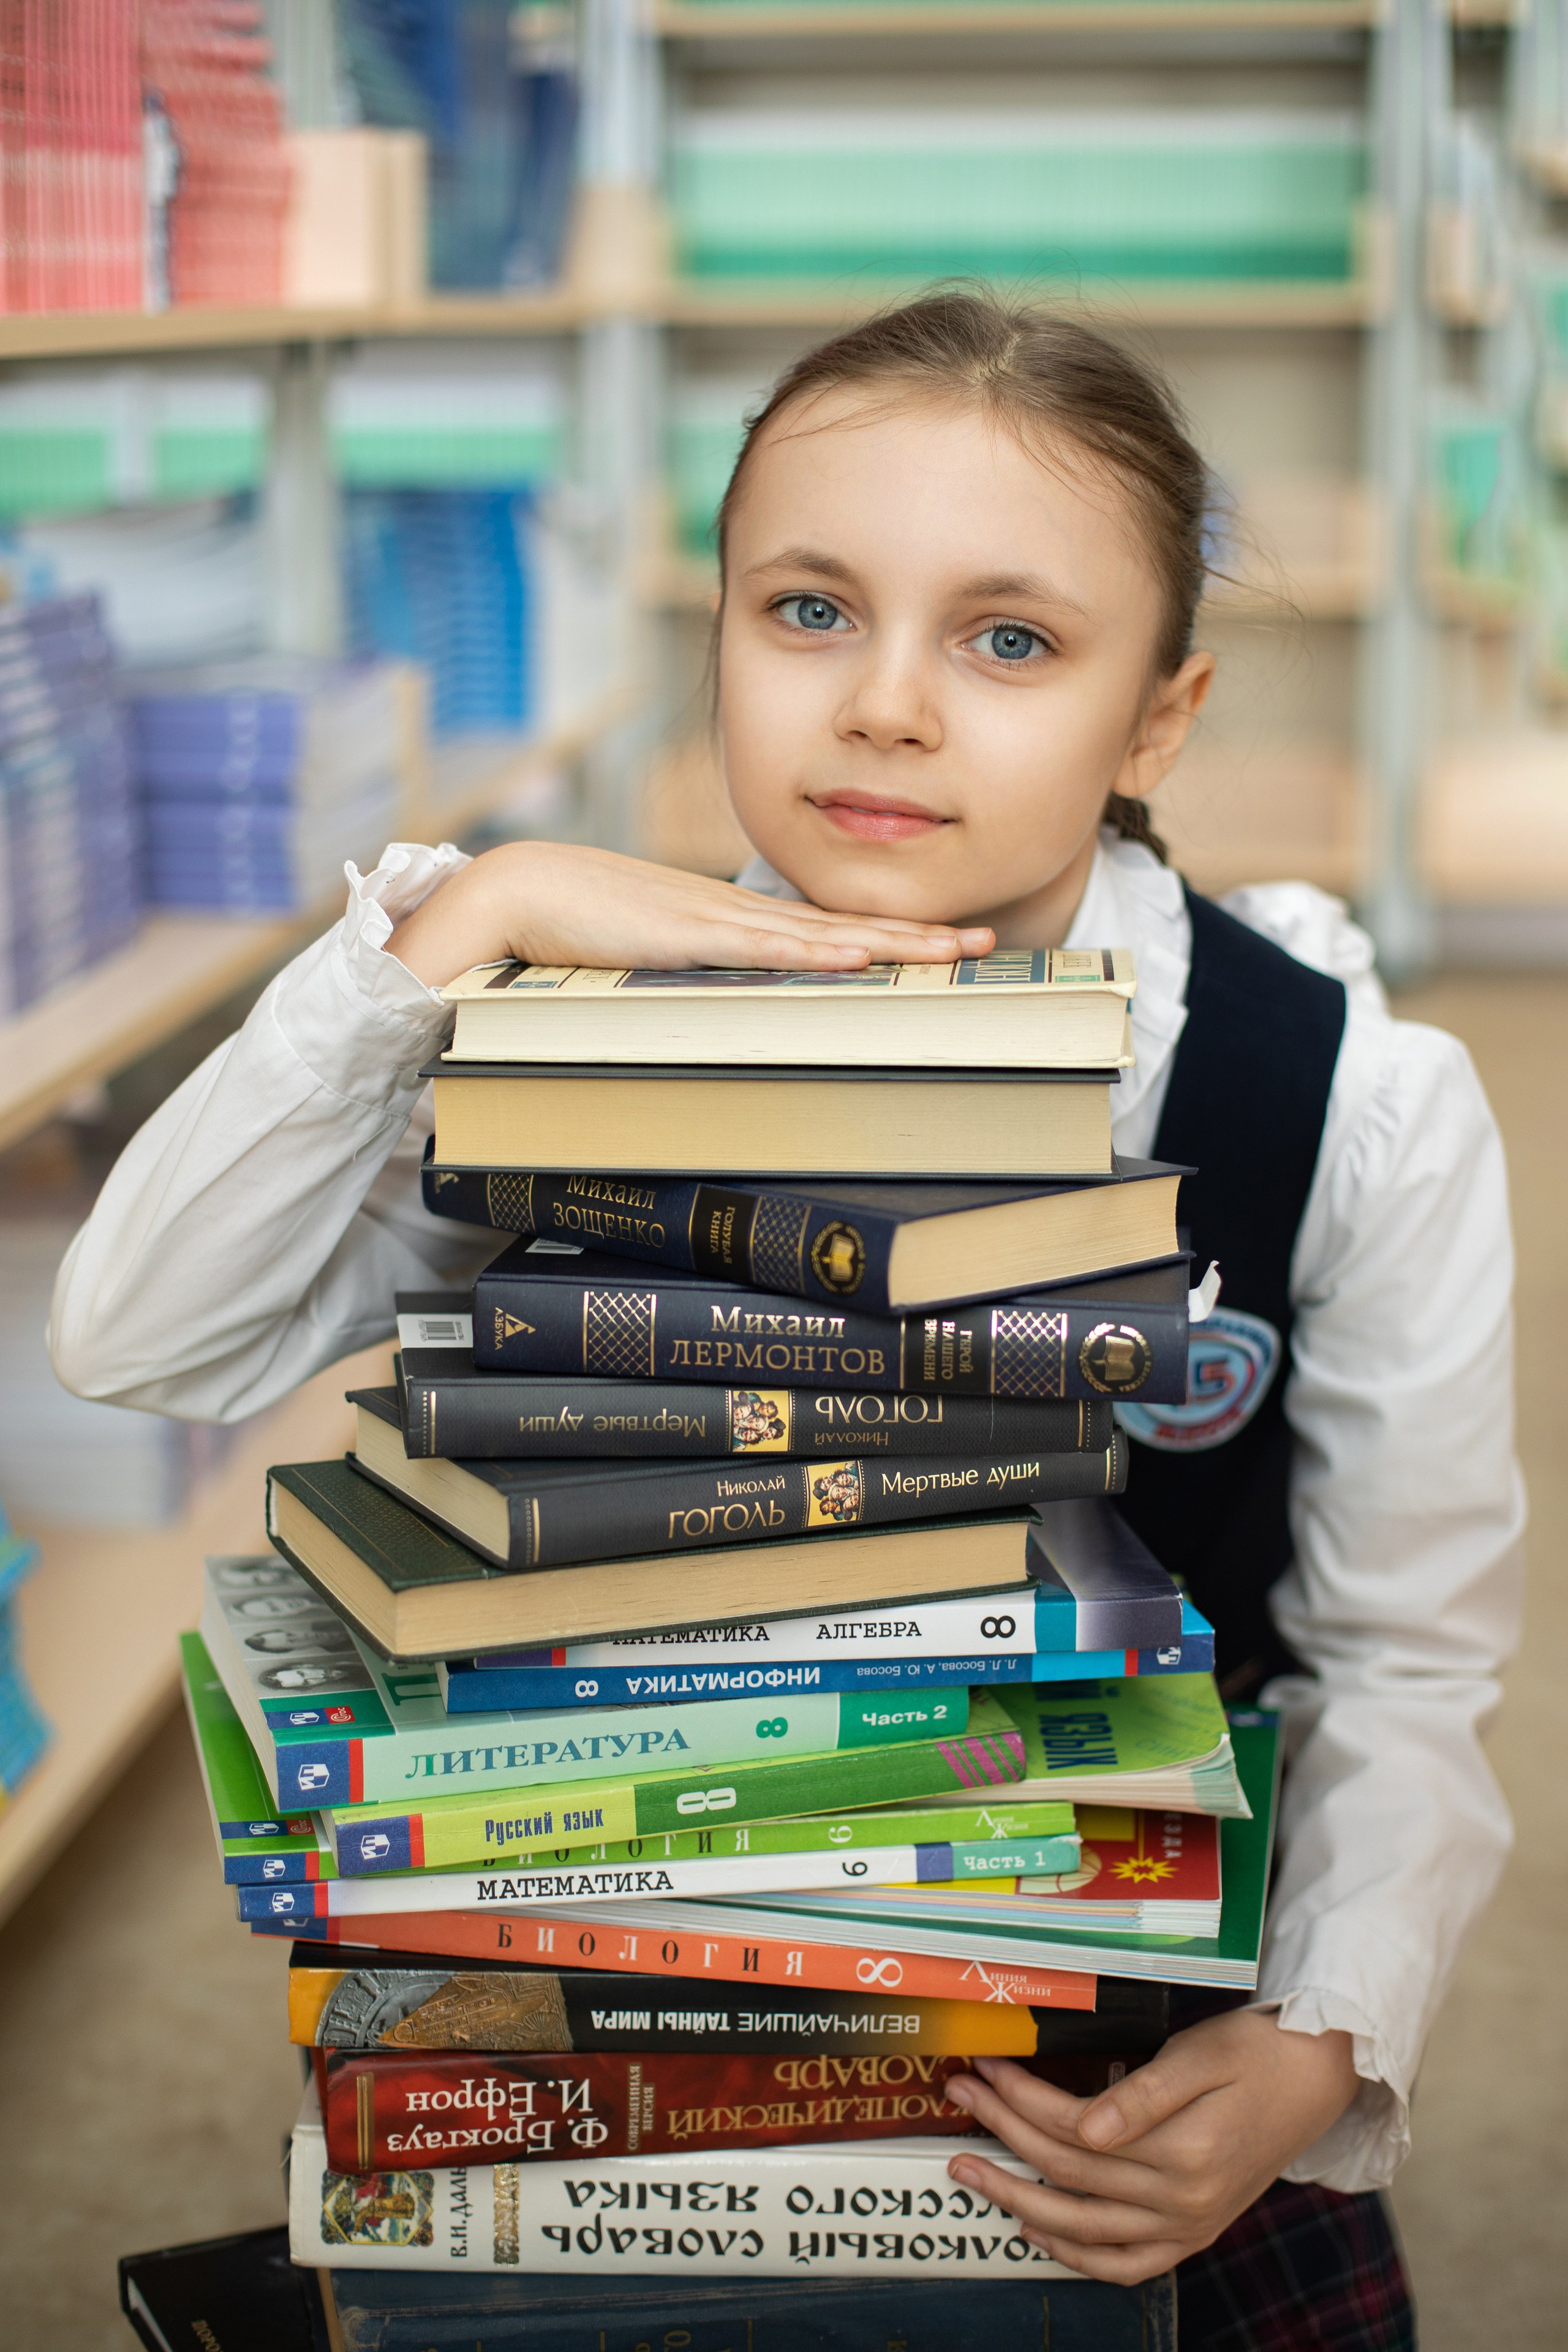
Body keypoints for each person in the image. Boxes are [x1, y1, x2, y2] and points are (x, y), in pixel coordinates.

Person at [50, 290, 1520, 2348]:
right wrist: (449, 933)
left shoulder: (1354, 1097)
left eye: (1011, 640)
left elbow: (1405, 1658)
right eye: (809, 610)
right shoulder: (556, 1035)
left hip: (1101, 2061)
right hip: (629, 2012)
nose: (888, 709)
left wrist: (1320, 2049)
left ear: (1157, 718)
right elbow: (141, 1341)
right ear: (716, 629)